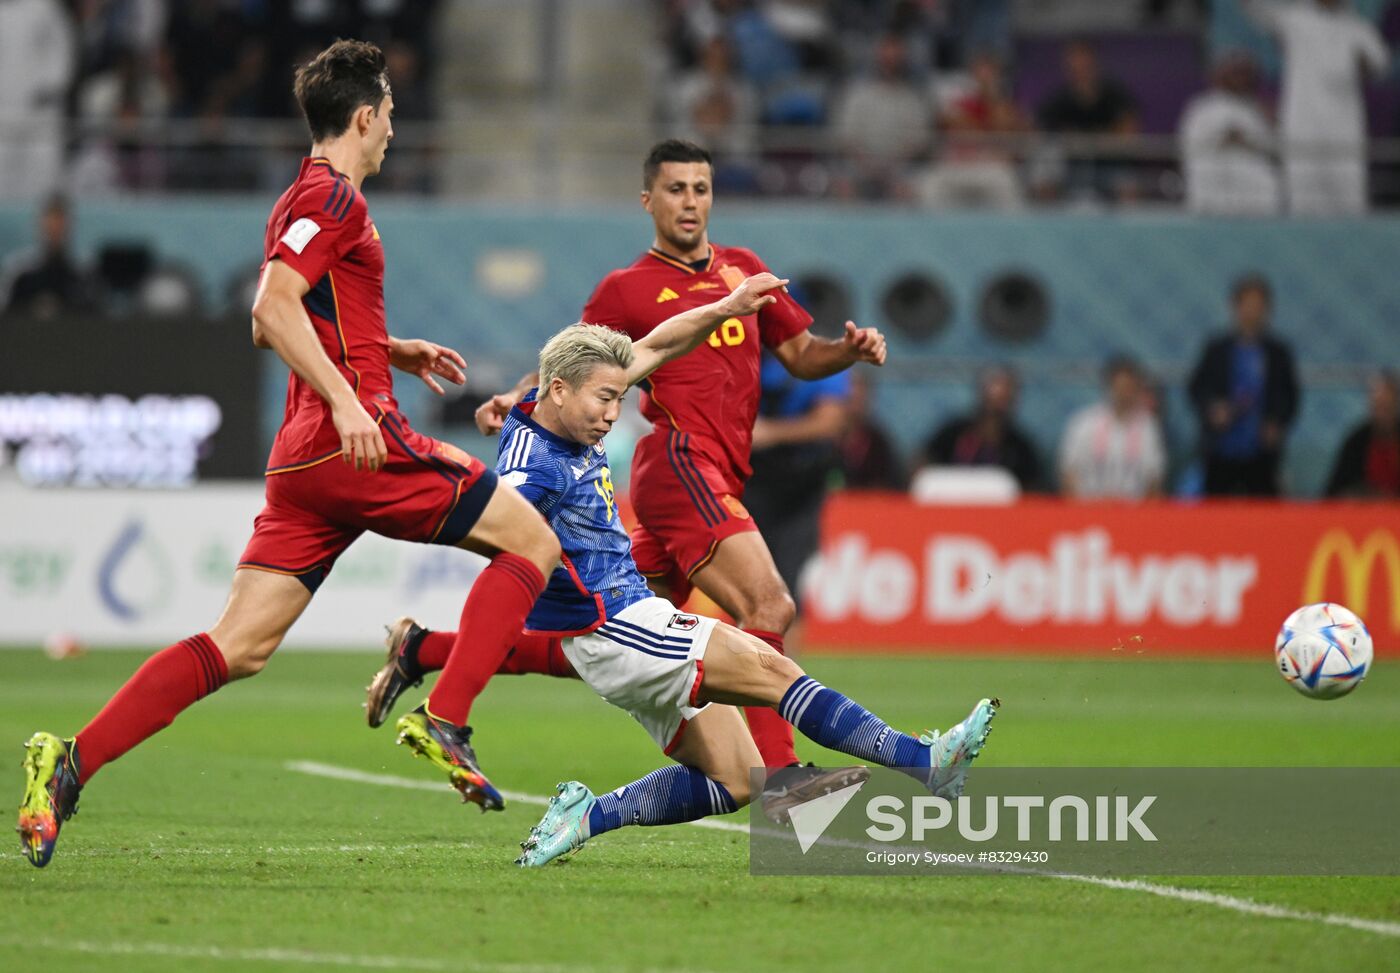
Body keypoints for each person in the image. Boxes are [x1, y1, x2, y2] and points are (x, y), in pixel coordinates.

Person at [15, 39, 561, 869]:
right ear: (367, 115)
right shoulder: (334, 197)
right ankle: (447, 712)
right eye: (389, 121)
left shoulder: (297, 199)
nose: (391, 137)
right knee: (534, 542)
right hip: (356, 441)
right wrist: (351, 397)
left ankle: (70, 759)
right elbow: (272, 307)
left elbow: (280, 310)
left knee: (239, 646)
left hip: (303, 462)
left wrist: (391, 347)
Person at [376, 139, 887, 809]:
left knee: (594, 627)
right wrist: (523, 396)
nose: (690, 202)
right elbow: (582, 358)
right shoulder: (627, 288)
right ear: (648, 200)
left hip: (723, 474)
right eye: (676, 189)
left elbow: (799, 353)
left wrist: (845, 352)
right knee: (769, 604)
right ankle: (783, 773)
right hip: (680, 466)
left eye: (701, 188)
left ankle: (425, 649)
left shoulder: (745, 271)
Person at [482, 312, 996, 867]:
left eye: (620, 398)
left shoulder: (553, 406)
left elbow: (659, 344)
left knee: (735, 778)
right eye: (604, 400)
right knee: (774, 671)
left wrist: (731, 304)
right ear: (558, 390)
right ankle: (923, 761)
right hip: (616, 628)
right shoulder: (531, 471)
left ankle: (584, 815)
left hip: (619, 629)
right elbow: (489, 525)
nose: (612, 415)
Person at [1244, 0, 1389, 215]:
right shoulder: (1295, 19)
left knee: (1349, 195)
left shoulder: (1358, 27)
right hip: (1303, 120)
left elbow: (1380, 65)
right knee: (1303, 194)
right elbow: (1255, 9)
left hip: (1344, 124)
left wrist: (1363, 64)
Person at [744, 351, 850, 603]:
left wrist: (770, 433)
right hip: (750, 481)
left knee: (789, 578)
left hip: (802, 485)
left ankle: (781, 642)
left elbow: (830, 423)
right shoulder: (744, 352)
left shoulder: (822, 357)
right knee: (751, 582)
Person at [1188, 274, 1300, 497]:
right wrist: (1213, 409)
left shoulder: (1278, 353)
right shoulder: (1217, 349)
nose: (1252, 311)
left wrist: (1277, 423)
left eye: (1258, 306)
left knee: (1264, 515)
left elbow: (1291, 396)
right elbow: (1197, 388)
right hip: (1221, 449)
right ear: (1235, 307)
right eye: (1247, 304)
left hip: (1261, 452)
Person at [1178, 53, 1281, 216]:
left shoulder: (1258, 111)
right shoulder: (1202, 107)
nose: (1241, 79)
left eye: (1245, 73)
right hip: (1215, 190)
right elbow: (1190, 143)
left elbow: (1273, 146)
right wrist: (1224, 136)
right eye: (1236, 73)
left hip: (1255, 196)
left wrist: (1250, 138)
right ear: (1220, 75)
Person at [1058, 356, 1166, 500]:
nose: (1124, 394)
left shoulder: (1148, 427)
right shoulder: (1084, 423)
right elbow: (1069, 472)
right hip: (1089, 508)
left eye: (1129, 388)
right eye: (1120, 387)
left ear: (1137, 388)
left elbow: (1154, 478)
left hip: (1133, 511)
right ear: (1109, 386)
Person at [921, 364, 1040, 491]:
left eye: (1004, 398)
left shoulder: (1020, 448)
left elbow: (1033, 488)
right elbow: (924, 460)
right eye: (991, 397)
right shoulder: (953, 433)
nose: (996, 404)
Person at [0, 194, 94, 318]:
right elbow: (7, 319)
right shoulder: (22, 275)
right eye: (51, 220)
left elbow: (95, 319)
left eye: (60, 221)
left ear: (69, 225)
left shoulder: (83, 276)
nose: (55, 227)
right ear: (41, 223)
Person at [1326, 371, 1400, 498]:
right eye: (1378, 406)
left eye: (1386, 406)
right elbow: (1334, 493)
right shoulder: (1357, 442)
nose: (1382, 413)